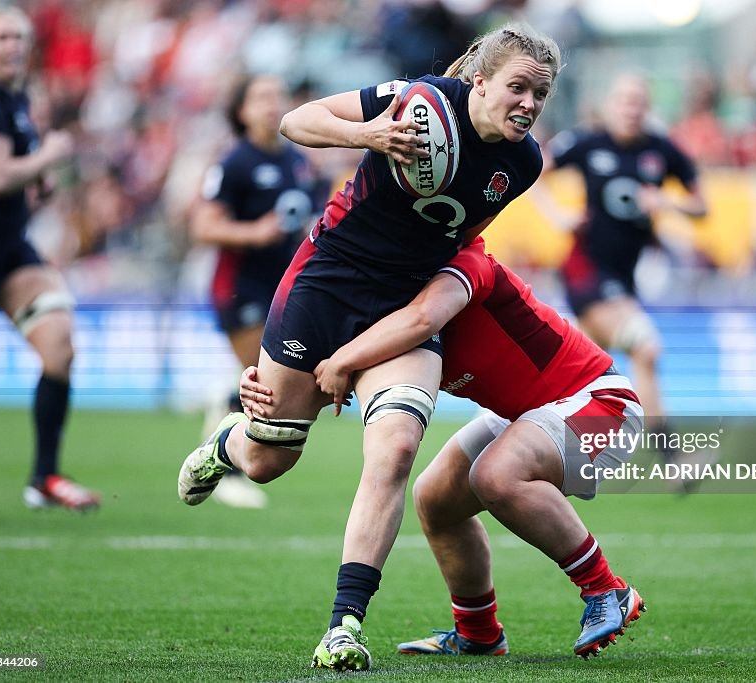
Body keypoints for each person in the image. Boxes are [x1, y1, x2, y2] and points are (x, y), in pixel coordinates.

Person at [176, 24, 561, 671]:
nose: (527, 103)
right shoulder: (419, 100)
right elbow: (299, 120)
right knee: (270, 458)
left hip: (399, 312)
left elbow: (464, 235)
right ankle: (224, 445)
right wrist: (371, 135)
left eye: (540, 95)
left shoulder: (523, 165)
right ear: (482, 81)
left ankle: (344, 626)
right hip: (324, 284)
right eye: (518, 87)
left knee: (396, 450)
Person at [240, 237, 647, 659]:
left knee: (496, 476)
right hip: (527, 414)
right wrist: (262, 389)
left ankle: (606, 590)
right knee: (435, 500)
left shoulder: (465, 260)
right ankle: (479, 633)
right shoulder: (381, 297)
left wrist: (341, 360)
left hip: (601, 404)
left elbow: (421, 320)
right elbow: (322, 383)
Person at [0, 5, 98, 510]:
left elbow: (8, 181)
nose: (13, 45)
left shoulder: (14, 101)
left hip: (10, 250)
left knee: (59, 348)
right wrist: (47, 157)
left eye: (19, 37)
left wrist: (38, 180)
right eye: (1, 38)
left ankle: (44, 478)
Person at [544, 74, 707, 460]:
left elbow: (702, 206)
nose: (630, 109)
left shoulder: (661, 151)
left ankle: (550, 446)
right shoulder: (587, 142)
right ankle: (672, 458)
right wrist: (557, 215)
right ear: (608, 105)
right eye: (623, 101)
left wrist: (669, 204)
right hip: (586, 268)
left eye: (637, 102)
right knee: (646, 348)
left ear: (646, 107)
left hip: (623, 277)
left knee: (581, 371)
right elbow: (534, 168)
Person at [190, 73, 324, 509]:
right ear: (242, 110)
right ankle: (223, 465)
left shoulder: (296, 160)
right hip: (240, 285)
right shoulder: (235, 162)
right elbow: (204, 225)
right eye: (261, 98)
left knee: (265, 378)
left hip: (284, 287)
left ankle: (225, 410)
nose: (272, 104)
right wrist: (256, 232)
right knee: (261, 377)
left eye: (278, 96)